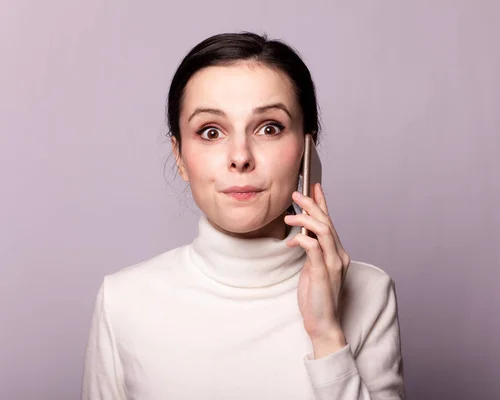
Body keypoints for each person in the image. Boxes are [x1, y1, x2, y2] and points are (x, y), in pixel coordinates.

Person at [82, 32, 406, 400]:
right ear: (179, 156)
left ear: (306, 149)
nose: (240, 157)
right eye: (211, 131)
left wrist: (326, 335)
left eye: (269, 128)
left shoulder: (369, 292)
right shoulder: (123, 300)